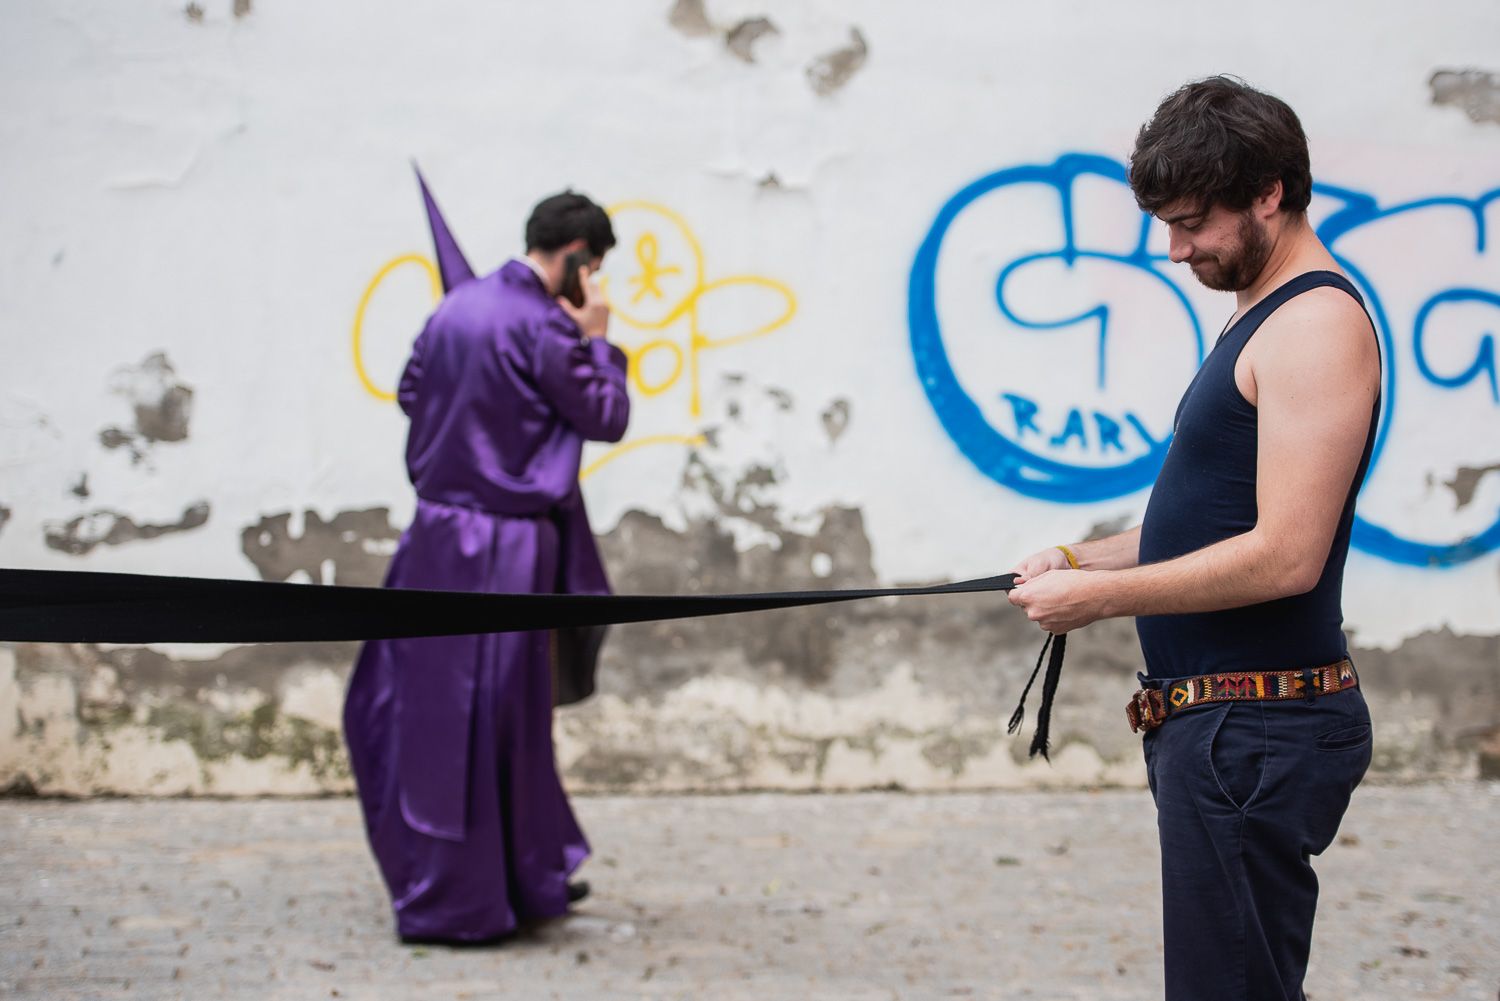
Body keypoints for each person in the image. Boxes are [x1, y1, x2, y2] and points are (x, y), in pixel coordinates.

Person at [1008, 77, 1380, 1000]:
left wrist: (1096, 600)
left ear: (1269, 193)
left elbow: (1286, 553)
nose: (1175, 250)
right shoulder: (1267, 314)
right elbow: (1207, 524)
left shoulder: (1316, 325)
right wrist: (1078, 557)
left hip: (1254, 728)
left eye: (1191, 224)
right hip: (1229, 727)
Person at [343, 190, 630, 944]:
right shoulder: (545, 327)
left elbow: (412, 391)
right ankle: (473, 897)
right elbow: (605, 415)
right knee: (499, 721)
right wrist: (597, 337)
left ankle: (507, 878)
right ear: (574, 257)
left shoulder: (454, 308)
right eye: (594, 268)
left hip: (434, 536)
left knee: (430, 714)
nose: (594, 283)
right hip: (507, 549)